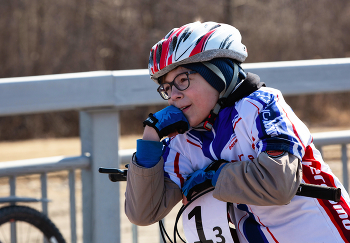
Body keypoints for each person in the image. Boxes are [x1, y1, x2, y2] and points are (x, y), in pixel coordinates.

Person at [125, 21, 350, 243]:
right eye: (166, 87)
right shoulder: (184, 140)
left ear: (217, 75)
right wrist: (151, 137)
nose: (173, 94)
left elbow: (279, 184)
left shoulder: (260, 106)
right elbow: (144, 213)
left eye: (183, 80)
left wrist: (214, 175)